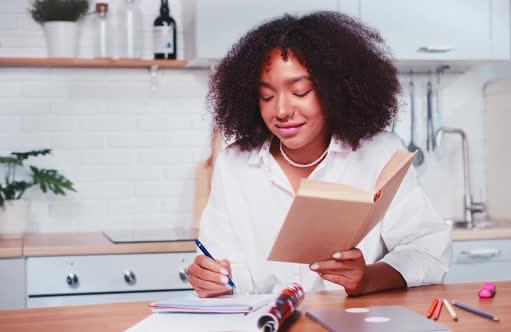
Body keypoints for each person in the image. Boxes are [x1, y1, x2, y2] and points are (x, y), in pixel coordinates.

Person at [188, 11, 451, 298]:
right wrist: (212, 278)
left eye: (300, 91)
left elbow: (429, 251)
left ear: (334, 90)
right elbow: (222, 267)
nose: (281, 110)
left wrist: (367, 278)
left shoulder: (380, 153)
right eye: (267, 96)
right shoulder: (234, 164)